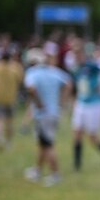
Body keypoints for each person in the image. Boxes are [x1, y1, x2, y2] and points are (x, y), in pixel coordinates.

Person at [23, 49, 72, 186]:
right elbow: (68, 82)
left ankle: (55, 174)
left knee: (48, 145)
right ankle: (37, 170)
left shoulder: (32, 73)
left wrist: (38, 103)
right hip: (54, 112)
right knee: (43, 144)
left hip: (43, 114)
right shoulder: (53, 71)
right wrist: (62, 101)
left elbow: (31, 89)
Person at [70, 40, 100, 171]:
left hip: (94, 104)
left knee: (92, 137)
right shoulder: (75, 69)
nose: (77, 56)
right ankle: (77, 164)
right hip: (81, 103)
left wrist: (99, 86)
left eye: (78, 53)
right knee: (77, 132)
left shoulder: (92, 66)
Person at [0, 50, 25, 150]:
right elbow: (21, 80)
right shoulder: (16, 67)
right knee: (10, 122)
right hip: (11, 98)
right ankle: (9, 142)